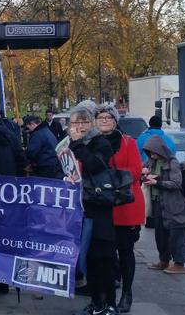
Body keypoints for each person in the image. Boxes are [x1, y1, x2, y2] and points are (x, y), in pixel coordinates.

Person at [93, 103, 145, 314]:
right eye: (100, 117)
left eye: (108, 117)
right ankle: (106, 293)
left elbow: (135, 171)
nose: (104, 120)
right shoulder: (91, 143)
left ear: (115, 121)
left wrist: (106, 178)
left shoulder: (128, 142)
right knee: (104, 255)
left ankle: (127, 293)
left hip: (124, 206)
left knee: (125, 252)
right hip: (101, 207)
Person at [68, 103, 118, 315]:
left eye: (85, 121)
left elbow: (94, 165)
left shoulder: (101, 142)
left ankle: (109, 304)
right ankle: (96, 302)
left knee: (103, 257)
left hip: (99, 207)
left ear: (92, 123)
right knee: (89, 258)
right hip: (81, 207)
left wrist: (78, 144)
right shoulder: (70, 144)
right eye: (75, 122)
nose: (80, 126)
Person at [142, 135, 185, 275]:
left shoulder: (172, 162)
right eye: (149, 152)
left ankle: (179, 264)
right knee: (160, 234)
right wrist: (144, 173)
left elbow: (176, 183)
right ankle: (163, 260)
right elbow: (142, 170)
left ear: (160, 150)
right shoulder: (151, 161)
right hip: (157, 202)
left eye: (153, 151)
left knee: (176, 234)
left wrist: (157, 182)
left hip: (172, 203)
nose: (151, 155)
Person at [24, 114, 64, 179]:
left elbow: (31, 153)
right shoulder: (46, 131)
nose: (28, 130)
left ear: (32, 124)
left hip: (45, 167)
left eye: (28, 127)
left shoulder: (37, 134)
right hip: (53, 164)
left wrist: (25, 161)